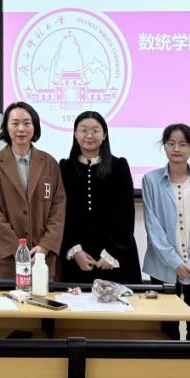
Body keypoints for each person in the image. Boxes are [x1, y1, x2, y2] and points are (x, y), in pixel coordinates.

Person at [142, 123, 190, 341]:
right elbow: (153, 227)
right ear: (164, 147)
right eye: (171, 143)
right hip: (163, 265)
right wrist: (174, 262)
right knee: (165, 325)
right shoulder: (150, 180)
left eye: (183, 144)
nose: (176, 149)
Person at [0, 102, 66, 279]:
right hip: (5, 260)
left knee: (41, 296)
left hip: (41, 258)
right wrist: (17, 248)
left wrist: (45, 246)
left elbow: (58, 208)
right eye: (15, 123)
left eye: (27, 123)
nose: (21, 129)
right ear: (6, 127)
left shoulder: (50, 163)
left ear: (35, 127)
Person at [59, 111, 141, 286]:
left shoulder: (119, 166)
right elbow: (61, 213)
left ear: (104, 135)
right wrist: (75, 250)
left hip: (116, 255)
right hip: (78, 258)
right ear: (75, 134)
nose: (89, 135)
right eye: (83, 130)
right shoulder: (64, 167)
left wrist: (112, 252)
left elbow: (125, 212)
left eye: (95, 130)